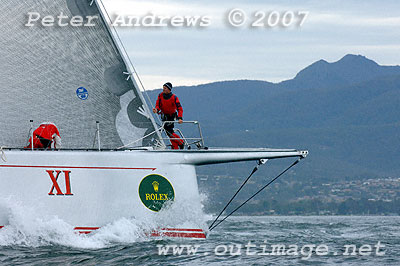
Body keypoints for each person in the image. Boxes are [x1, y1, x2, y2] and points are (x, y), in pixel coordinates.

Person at [153, 82, 185, 149]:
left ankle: (181, 142)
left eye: (165, 88)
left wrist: (180, 118)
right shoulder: (160, 95)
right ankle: (175, 147)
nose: (163, 89)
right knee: (169, 132)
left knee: (169, 132)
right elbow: (158, 105)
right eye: (163, 88)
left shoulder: (174, 97)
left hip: (171, 116)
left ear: (169, 89)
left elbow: (180, 108)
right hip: (164, 116)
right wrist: (156, 110)